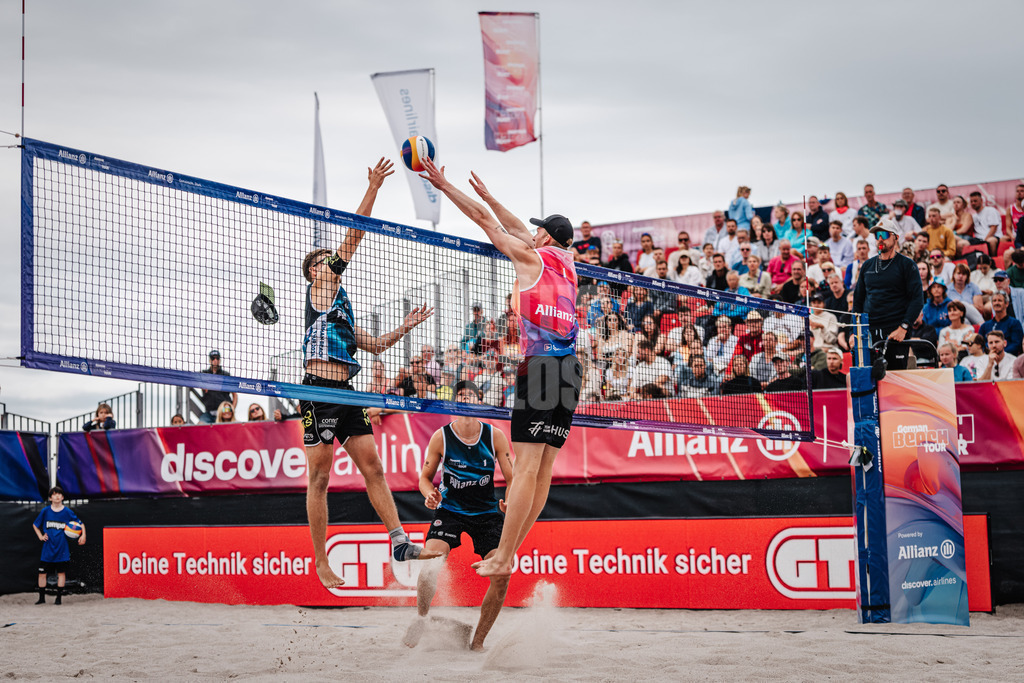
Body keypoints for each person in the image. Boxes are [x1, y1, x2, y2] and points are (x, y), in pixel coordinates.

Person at [421, 157, 582, 578]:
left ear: (543, 235)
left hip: (542, 367)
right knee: (543, 471)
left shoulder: (529, 257)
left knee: (527, 468)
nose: (529, 232)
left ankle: (505, 554)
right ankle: (511, 550)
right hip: (571, 371)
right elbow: (516, 226)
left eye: (537, 229)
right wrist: (492, 197)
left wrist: (446, 186)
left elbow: (486, 223)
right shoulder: (571, 264)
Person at [300, 158, 439, 588]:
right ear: (314, 272)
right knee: (320, 476)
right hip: (318, 391)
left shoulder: (339, 310)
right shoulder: (319, 288)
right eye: (324, 260)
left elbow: (376, 345)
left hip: (347, 391)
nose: (331, 262)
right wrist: (375, 188)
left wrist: (405, 327)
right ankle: (321, 561)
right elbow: (353, 238)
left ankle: (398, 540)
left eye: (330, 260)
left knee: (374, 468)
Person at [407, 380, 515, 651]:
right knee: (431, 561)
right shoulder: (441, 437)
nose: (467, 400)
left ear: (479, 403)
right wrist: (428, 493)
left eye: (471, 396)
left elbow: (513, 479)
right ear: (454, 403)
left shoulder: (495, 435)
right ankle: (421, 619)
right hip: (451, 510)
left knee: (502, 575)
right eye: (462, 396)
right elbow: (424, 478)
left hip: (487, 512)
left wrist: (510, 501)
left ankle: (477, 642)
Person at [852, 217, 924, 365]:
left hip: (895, 331)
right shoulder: (867, 266)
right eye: (876, 236)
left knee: (894, 378)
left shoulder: (907, 265)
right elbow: (858, 300)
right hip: (869, 331)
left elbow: (917, 299)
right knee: (868, 378)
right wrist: (855, 332)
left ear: (896, 238)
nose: (880, 239)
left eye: (884, 235)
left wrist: (903, 328)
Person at [33, 486, 84, 605]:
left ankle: (58, 598)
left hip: (62, 548)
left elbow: (81, 525)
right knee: (42, 573)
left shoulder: (67, 512)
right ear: (50, 498)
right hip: (48, 548)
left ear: (62, 497)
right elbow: (35, 525)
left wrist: (83, 536)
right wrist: (40, 536)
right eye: (54, 494)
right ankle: (41, 598)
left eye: (59, 494)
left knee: (61, 573)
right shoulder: (45, 511)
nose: (57, 496)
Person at [979, 291, 1024, 356]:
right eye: (994, 301)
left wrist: (999, 352)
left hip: (1009, 359)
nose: (997, 303)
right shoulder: (985, 326)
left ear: (1006, 304)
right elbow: (979, 344)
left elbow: (1016, 345)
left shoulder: (1015, 323)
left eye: (1000, 300)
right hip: (987, 358)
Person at [198, 350, 237, 424]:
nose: (215, 360)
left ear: (220, 360)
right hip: (209, 412)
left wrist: (232, 409)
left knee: (226, 430)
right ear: (210, 360)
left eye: (217, 358)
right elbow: (192, 379)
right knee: (200, 426)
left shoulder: (226, 375)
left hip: (224, 412)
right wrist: (202, 385)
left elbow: (234, 394)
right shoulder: (204, 374)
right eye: (213, 358)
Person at [969, 191, 1004, 256]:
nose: (973, 203)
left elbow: (993, 228)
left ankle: (993, 260)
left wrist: (984, 240)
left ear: (981, 201)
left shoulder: (990, 210)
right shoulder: (973, 216)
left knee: (991, 240)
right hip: (978, 239)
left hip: (992, 237)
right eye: (971, 201)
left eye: (975, 201)